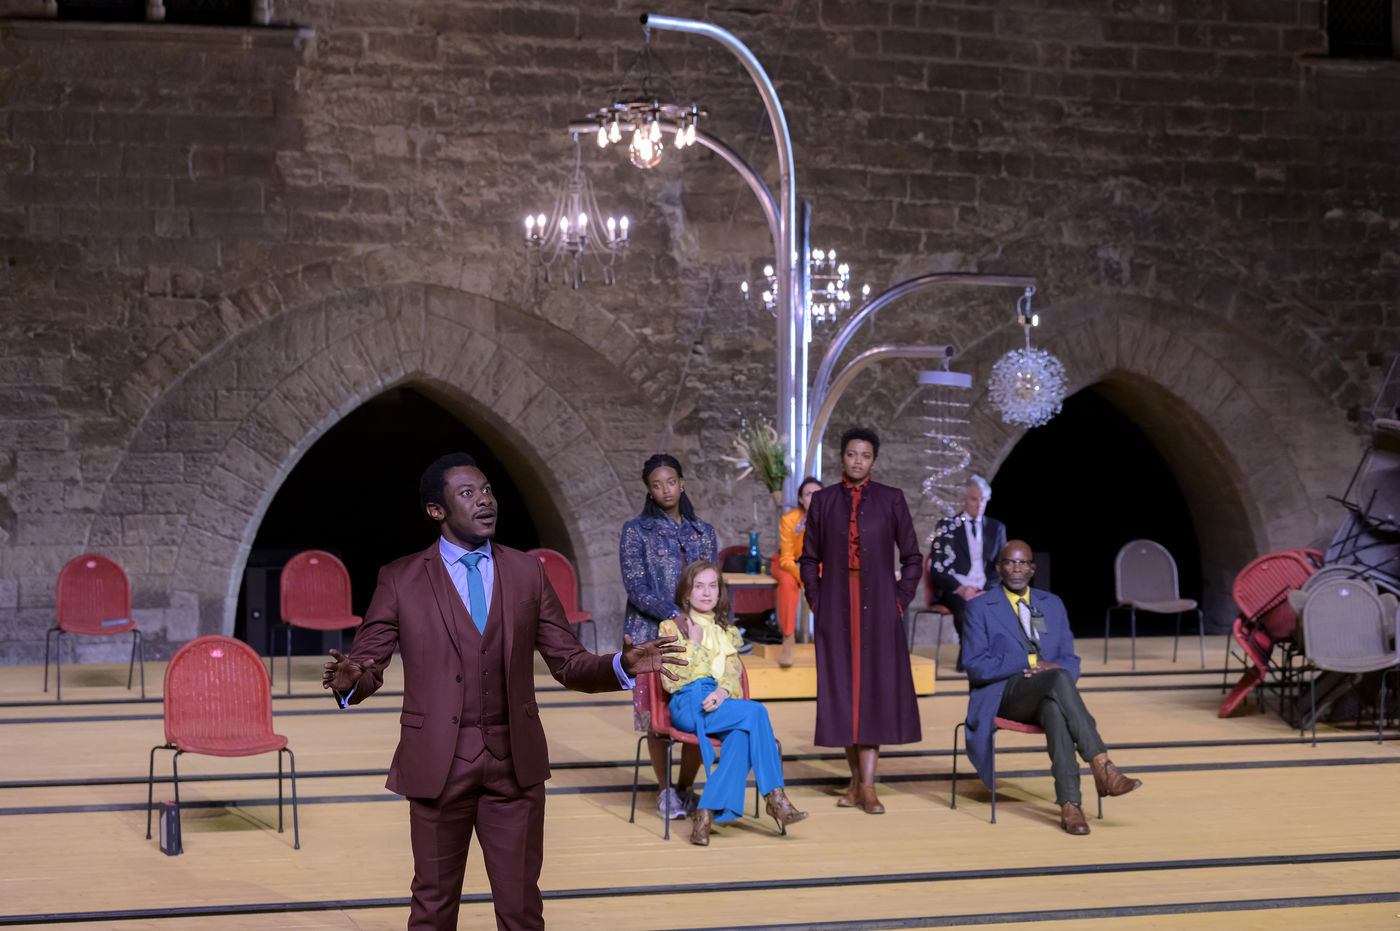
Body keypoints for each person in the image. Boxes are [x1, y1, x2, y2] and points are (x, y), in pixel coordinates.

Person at [322, 452, 685, 930]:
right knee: (432, 908)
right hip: (437, 765)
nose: (485, 500)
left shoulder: (526, 571)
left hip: (515, 766)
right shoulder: (400, 578)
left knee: (521, 909)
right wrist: (350, 682)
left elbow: (567, 661)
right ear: (436, 510)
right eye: (467, 493)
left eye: (488, 490)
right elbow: (366, 665)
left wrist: (620, 664)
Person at [962, 540, 1143, 836]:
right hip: (1004, 694)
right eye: (1010, 562)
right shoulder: (979, 607)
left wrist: (1054, 668)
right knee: (1058, 678)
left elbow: (1070, 659)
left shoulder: (1052, 604)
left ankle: (1070, 805)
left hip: (1047, 692)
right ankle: (1102, 765)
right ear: (998, 568)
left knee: (1055, 707)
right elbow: (976, 666)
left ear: (1032, 569)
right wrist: (1030, 661)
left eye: (1023, 563)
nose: (1016, 568)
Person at [799, 427, 923, 814]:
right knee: (843, 695)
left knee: (873, 693)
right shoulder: (823, 501)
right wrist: (817, 600)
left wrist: (899, 600)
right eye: (852, 454)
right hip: (836, 605)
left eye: (865, 455)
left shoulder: (891, 498)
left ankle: (867, 787)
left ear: (874, 461)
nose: (858, 461)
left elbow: (913, 558)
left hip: (880, 607)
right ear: (842, 457)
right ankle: (856, 783)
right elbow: (808, 558)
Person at [660, 560, 808, 845]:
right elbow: (673, 680)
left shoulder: (727, 632)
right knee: (757, 712)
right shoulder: (672, 627)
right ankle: (774, 796)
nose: (706, 593)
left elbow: (732, 675)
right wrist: (694, 644)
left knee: (740, 736)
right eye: (699, 586)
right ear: (687, 592)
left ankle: (704, 815)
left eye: (712, 586)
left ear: (720, 592)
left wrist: (722, 693)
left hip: (717, 703)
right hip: (687, 703)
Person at [619, 453, 718, 820]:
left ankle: (685, 788)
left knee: (697, 711)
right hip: (651, 637)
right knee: (658, 718)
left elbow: (712, 583)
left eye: (671, 482)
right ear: (649, 489)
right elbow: (636, 587)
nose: (666, 490)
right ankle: (665, 792)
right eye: (657, 484)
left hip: (698, 637)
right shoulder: (636, 531)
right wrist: (674, 614)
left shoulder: (703, 531)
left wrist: (712, 625)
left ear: (682, 483)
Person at [928, 475, 1008, 670]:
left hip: (986, 587)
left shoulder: (997, 528)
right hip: (955, 589)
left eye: (983, 499)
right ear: (963, 499)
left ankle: (993, 657)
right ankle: (969, 655)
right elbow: (937, 567)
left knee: (1004, 606)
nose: (979, 504)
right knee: (967, 609)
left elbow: (1001, 566)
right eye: (974, 499)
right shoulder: (946, 526)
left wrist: (986, 589)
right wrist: (961, 588)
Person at [774, 475, 822, 668]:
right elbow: (786, 559)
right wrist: (805, 578)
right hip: (788, 563)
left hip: (816, 565)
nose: (814, 498)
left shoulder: (832, 520)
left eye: (818, 493)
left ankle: (828, 635)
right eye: (809, 494)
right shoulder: (790, 519)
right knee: (787, 582)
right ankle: (788, 637)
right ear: (801, 499)